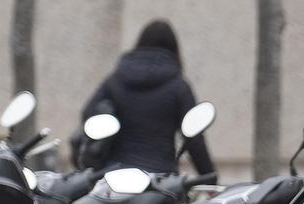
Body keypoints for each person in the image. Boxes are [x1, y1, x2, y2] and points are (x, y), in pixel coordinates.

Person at [81, 19, 214, 176]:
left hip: (113, 174)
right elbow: (194, 139)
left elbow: (88, 113)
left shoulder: (116, 79)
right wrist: (208, 178)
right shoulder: (178, 86)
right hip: (160, 177)